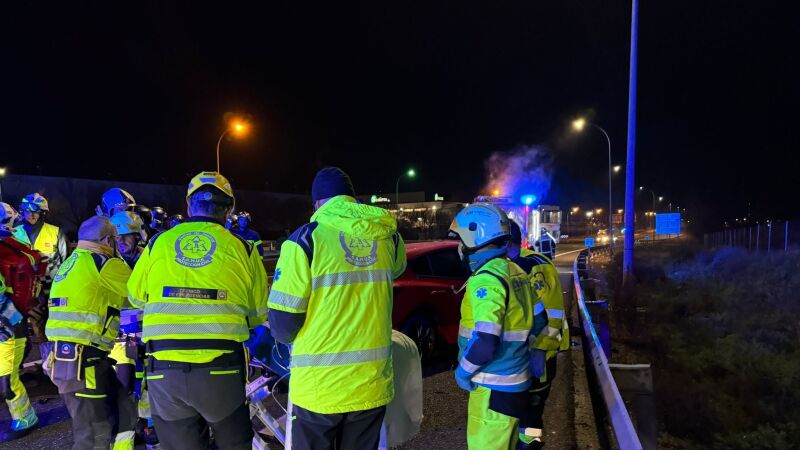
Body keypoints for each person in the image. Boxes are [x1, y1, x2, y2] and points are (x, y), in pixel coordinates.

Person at [127, 171, 268, 450]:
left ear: (189, 206)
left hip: (164, 369)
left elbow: (135, 297)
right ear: (229, 210)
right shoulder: (244, 248)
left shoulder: (158, 243)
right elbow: (256, 314)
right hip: (222, 369)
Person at [268, 167, 406, 450]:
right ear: (351, 199)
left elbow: (283, 326)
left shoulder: (305, 240)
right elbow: (398, 269)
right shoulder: (389, 236)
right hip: (370, 383)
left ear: (318, 202)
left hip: (318, 389)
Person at [447, 203, 547, 450]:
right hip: (518, 382)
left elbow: (486, 340)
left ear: (475, 237)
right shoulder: (515, 271)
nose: (460, 247)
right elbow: (540, 320)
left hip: (492, 387)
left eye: (461, 240)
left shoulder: (486, 279)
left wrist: (463, 372)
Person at [45, 216, 137, 450]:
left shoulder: (72, 262)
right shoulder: (103, 262)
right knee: (95, 433)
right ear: (107, 240)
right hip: (85, 360)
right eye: (116, 239)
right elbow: (139, 293)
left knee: (124, 413)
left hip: (69, 358)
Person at [507, 221, 568, 450]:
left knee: (531, 415)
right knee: (515, 413)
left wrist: (540, 350)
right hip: (517, 357)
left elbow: (553, 316)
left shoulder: (535, 266)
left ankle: (532, 445)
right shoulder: (506, 265)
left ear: (506, 242)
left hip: (538, 357)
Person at [0, 203, 46, 441]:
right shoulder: (14, 247)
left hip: (8, 326)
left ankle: (26, 418)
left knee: (7, 380)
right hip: (11, 322)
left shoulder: (8, 249)